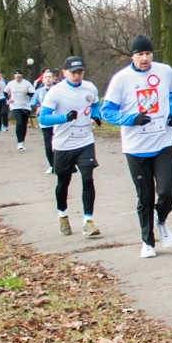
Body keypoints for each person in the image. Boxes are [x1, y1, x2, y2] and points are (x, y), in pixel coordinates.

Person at [102, 35, 172, 258]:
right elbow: (107, 111)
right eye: (140, 55)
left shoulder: (165, 71)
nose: (145, 58)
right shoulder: (121, 79)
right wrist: (131, 119)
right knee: (145, 196)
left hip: (163, 142)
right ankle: (147, 242)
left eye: (148, 54)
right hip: (135, 147)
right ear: (132, 56)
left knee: (169, 191)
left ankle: (162, 218)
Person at [37, 57, 103, 237]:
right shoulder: (56, 92)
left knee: (88, 179)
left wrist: (96, 117)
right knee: (63, 183)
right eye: (73, 72)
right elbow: (43, 118)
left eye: (80, 72)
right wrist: (64, 118)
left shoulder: (90, 88)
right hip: (64, 144)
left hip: (85, 142)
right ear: (64, 72)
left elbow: (95, 104)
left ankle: (88, 221)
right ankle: (63, 215)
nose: (77, 75)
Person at [6, 69, 36, 151]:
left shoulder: (26, 83)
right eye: (16, 74)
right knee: (19, 123)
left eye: (19, 74)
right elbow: (5, 92)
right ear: (14, 75)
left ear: (22, 75)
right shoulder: (11, 83)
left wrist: (27, 93)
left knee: (24, 124)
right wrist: (8, 99)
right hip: (15, 105)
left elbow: (34, 94)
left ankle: (22, 141)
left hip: (25, 106)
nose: (18, 76)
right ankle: (19, 142)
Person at [36, 68, 59, 174]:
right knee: (48, 145)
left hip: (58, 121)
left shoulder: (58, 90)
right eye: (46, 77)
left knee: (59, 143)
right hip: (45, 123)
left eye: (50, 77)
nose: (48, 79)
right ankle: (51, 165)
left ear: (53, 79)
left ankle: (60, 164)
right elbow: (32, 104)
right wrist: (36, 108)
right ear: (43, 80)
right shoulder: (39, 92)